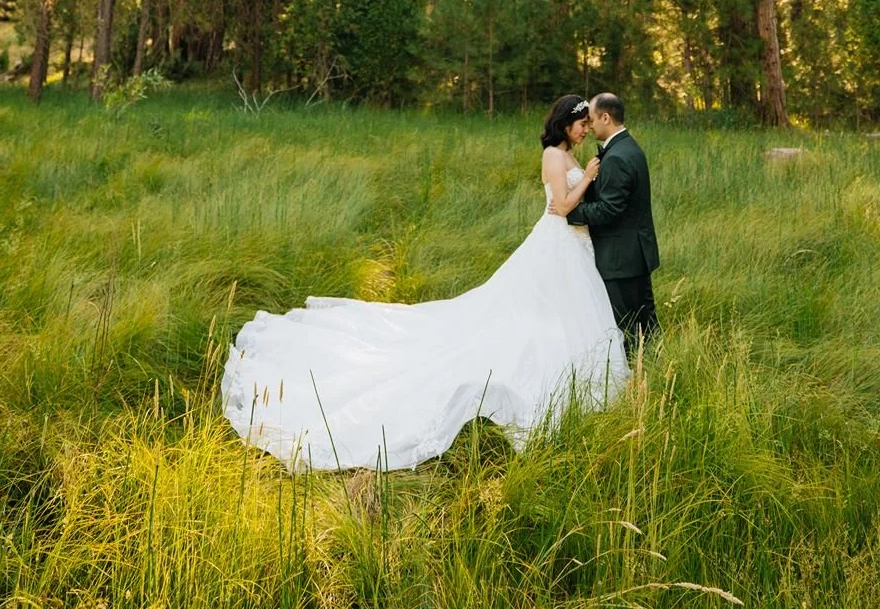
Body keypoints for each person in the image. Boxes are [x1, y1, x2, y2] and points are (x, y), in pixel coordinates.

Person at [221, 94, 629, 471]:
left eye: (586, 123)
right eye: (579, 123)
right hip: (556, 241)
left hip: (574, 250)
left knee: (558, 315)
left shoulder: (570, 155)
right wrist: (590, 178)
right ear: (564, 124)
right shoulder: (553, 157)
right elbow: (559, 206)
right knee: (532, 314)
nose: (584, 128)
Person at [551, 91, 660, 358]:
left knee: (625, 327)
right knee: (645, 322)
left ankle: (638, 379)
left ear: (606, 117)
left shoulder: (618, 157)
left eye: (591, 120)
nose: (589, 127)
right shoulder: (628, 147)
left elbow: (609, 208)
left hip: (621, 257)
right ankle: (655, 368)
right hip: (635, 252)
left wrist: (571, 214)